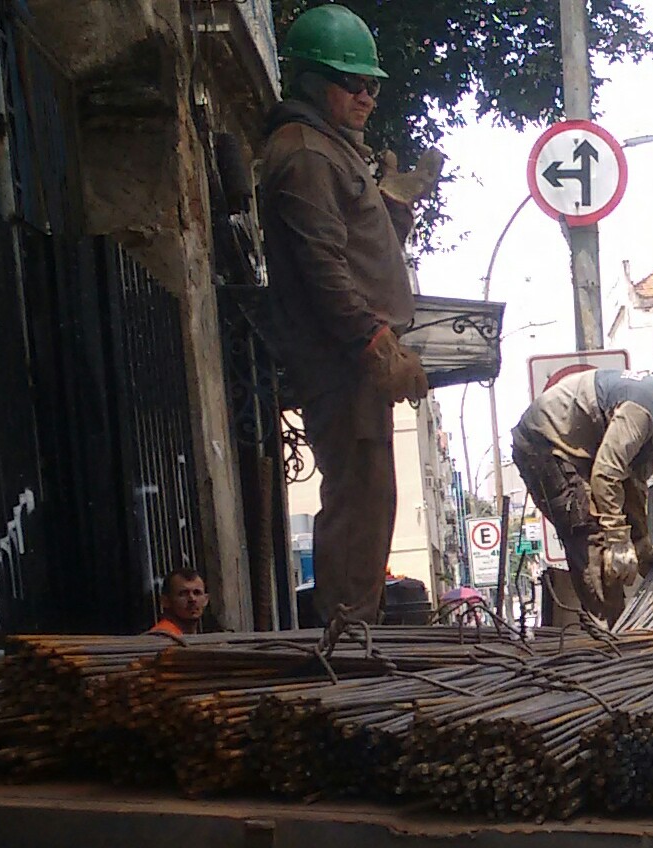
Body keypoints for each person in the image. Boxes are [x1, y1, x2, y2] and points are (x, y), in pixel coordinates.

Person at [259, 3, 441, 630]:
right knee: (359, 499)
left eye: (373, 85)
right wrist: (371, 339)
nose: (367, 95)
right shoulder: (306, 154)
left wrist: (391, 206)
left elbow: (354, 247)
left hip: (349, 355)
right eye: (352, 82)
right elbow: (322, 264)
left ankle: (355, 628)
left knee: (371, 497)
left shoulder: (330, 151)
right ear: (312, 81)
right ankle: (348, 634)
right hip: (341, 359)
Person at [511, 360, 653, 624]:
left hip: (580, 447)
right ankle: (616, 630)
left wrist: (641, 543)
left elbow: (634, 482)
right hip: (544, 443)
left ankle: (617, 622)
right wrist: (618, 541)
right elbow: (606, 475)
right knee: (590, 531)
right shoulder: (641, 412)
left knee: (608, 520)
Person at [151, 568, 209, 640]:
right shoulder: (161, 637)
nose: (192, 599)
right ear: (165, 601)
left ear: (206, 600)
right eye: (183, 594)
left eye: (197, 593)